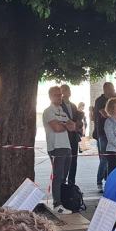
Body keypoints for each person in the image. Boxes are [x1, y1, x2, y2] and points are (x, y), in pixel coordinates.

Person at [43, 86, 75, 214]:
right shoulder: (48, 111)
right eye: (56, 95)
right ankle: (57, 204)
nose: (60, 97)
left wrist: (64, 125)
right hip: (56, 147)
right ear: (50, 97)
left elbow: (72, 126)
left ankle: (62, 201)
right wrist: (64, 125)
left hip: (66, 146)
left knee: (64, 176)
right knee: (58, 175)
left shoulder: (62, 110)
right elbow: (56, 128)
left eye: (60, 94)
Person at [93, 82, 116, 192]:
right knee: (104, 158)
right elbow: (104, 113)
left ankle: (108, 180)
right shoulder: (100, 101)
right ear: (105, 89)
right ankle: (99, 181)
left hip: (113, 133)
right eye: (110, 88)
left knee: (111, 158)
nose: (112, 90)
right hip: (102, 133)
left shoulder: (115, 98)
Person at [60, 84, 84, 186]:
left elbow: (77, 121)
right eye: (65, 90)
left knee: (74, 161)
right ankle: (62, 183)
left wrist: (79, 123)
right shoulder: (59, 106)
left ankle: (71, 183)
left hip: (74, 137)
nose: (68, 91)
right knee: (64, 162)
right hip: (64, 137)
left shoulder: (73, 105)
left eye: (68, 89)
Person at [102, 97, 116, 176]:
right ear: (111, 108)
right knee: (114, 174)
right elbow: (111, 138)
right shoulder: (109, 121)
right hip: (113, 151)